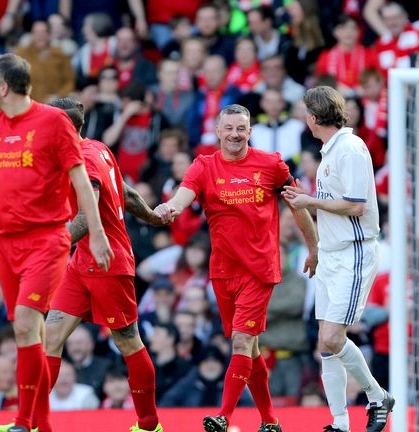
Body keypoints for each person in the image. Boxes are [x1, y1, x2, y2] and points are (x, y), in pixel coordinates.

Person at [0, 53, 113, 432]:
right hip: (5, 242)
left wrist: (95, 233)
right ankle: (41, 425)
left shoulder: (53, 122)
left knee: (27, 326)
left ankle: (24, 421)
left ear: (3, 87)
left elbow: (80, 180)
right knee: (30, 333)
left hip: (46, 239)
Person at [154, 104, 319, 432]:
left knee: (241, 343)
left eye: (241, 128)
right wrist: (169, 208)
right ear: (217, 131)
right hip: (223, 271)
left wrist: (314, 247)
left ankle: (224, 417)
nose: (234, 134)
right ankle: (271, 421)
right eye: (228, 128)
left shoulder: (270, 164)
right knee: (252, 348)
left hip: (259, 270)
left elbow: (298, 206)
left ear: (249, 131)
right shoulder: (203, 166)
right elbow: (183, 195)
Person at [42, 97, 166, 432]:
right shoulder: (99, 148)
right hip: (82, 261)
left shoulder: (83, 160)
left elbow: (88, 213)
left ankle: (149, 424)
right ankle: (32, 422)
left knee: (128, 342)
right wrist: (151, 215)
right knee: (49, 337)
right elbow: (125, 193)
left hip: (108, 260)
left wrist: (50, 246)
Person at [282, 86, 393, 432]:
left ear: (314, 117)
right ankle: (340, 422)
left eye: (305, 113)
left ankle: (377, 397)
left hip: (354, 251)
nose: (304, 119)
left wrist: (309, 202)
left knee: (332, 338)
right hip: (331, 254)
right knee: (324, 343)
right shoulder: (331, 151)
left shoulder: (350, 149)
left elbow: (356, 205)